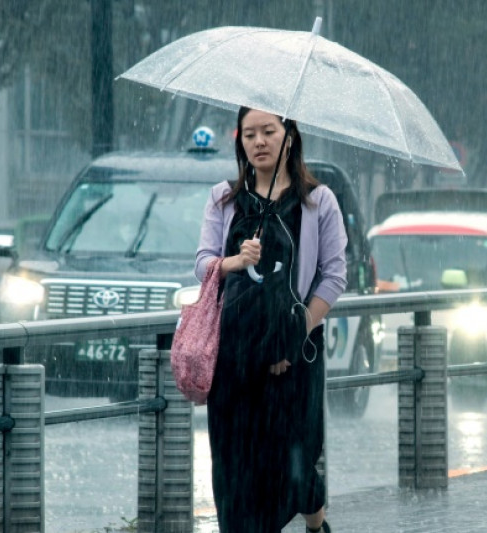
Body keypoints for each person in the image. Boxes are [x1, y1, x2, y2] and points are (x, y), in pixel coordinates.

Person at [195, 107, 347, 533]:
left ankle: (315, 523)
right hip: (236, 361)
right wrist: (234, 260)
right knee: (237, 477)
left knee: (295, 470)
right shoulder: (223, 199)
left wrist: (291, 340)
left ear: (290, 136)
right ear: (239, 141)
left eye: (268, 131)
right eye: (249, 134)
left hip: (294, 363)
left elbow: (335, 275)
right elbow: (203, 263)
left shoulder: (319, 203)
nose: (258, 142)